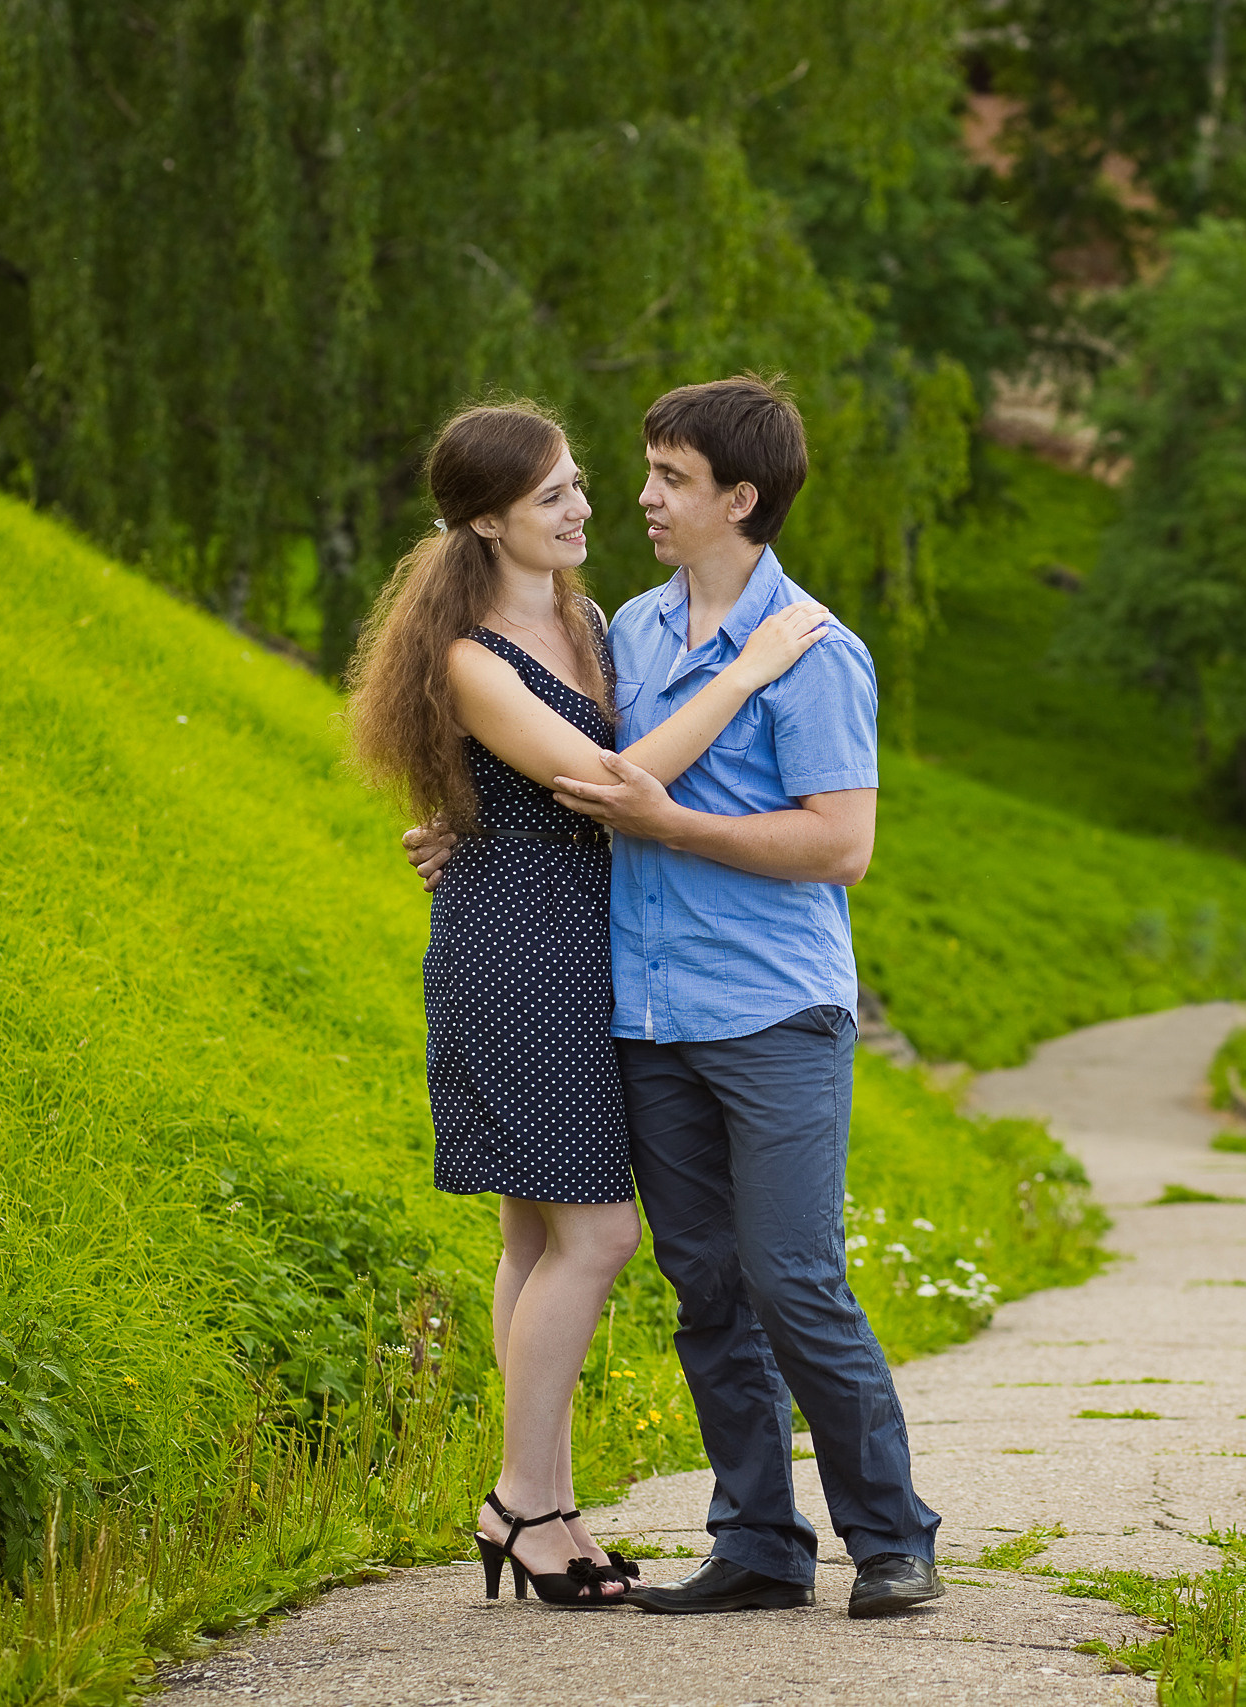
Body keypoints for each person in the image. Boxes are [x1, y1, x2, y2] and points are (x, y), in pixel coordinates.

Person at [407, 374, 944, 1620]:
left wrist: (674, 824)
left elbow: (842, 846)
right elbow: (568, 772)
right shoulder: (626, 633)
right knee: (705, 1288)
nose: (634, 498)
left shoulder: (811, 648)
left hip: (770, 1008)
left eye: (666, 479)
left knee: (793, 1278)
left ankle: (890, 1538)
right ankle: (757, 1543)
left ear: (738, 499)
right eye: (635, 473)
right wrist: (469, 832)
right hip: (642, 1011)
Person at [349, 399, 829, 1608]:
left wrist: (457, 826)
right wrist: (751, 667)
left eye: (578, 483)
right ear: (486, 522)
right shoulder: (469, 656)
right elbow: (607, 784)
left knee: (535, 1237)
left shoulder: (587, 621)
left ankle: (545, 1508)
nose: (585, 507)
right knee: (600, 1235)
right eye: (554, 494)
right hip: (516, 952)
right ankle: (522, 1502)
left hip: (586, 940)